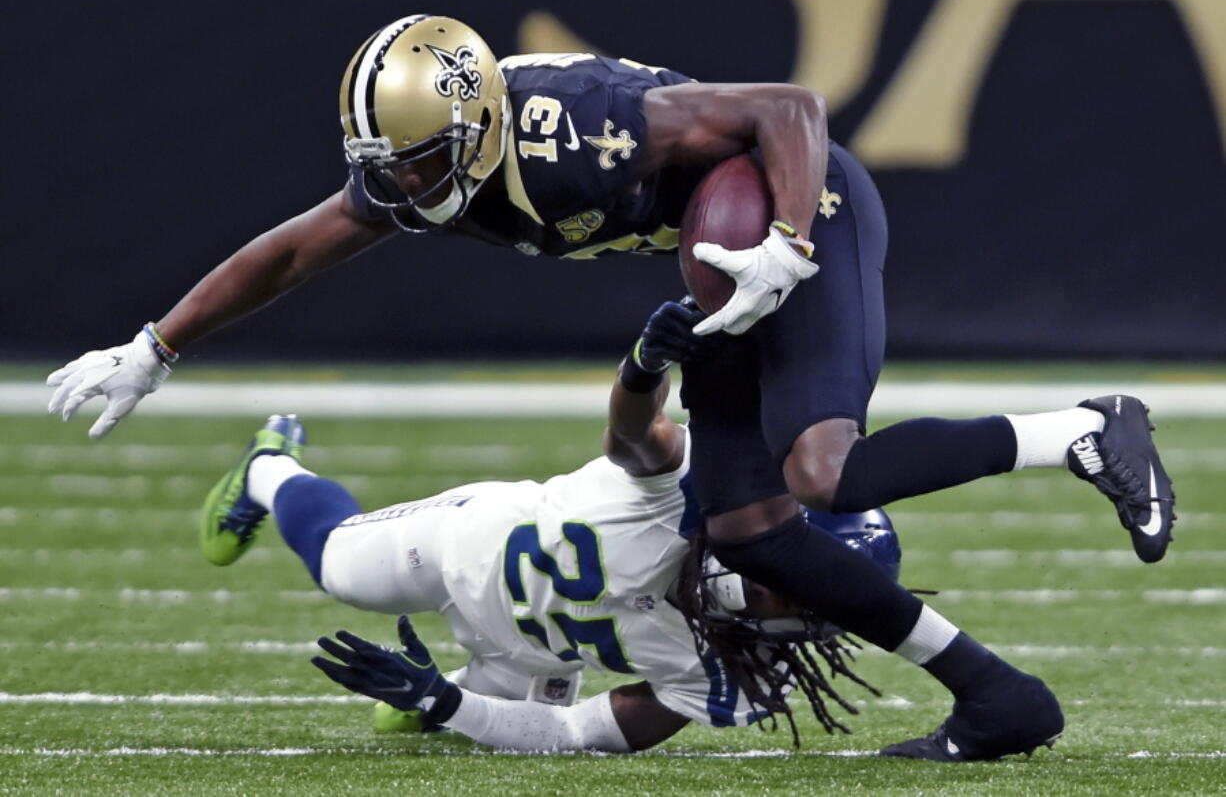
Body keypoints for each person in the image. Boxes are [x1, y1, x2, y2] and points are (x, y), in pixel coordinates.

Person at [51, 13, 1160, 756]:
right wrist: (157, 345)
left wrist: (779, 240)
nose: (400, 187)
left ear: (480, 128)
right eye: (385, 165)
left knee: (816, 472)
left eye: (421, 162)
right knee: (753, 527)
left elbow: (791, 113)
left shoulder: (577, 130)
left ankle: (1076, 429)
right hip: (713, 257)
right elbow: (295, 247)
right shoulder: (424, 158)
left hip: (788, 210)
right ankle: (996, 695)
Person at [201, 305, 1060, 758]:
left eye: (810, 605)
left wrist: (448, 703)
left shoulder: (734, 678)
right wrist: (644, 368)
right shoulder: (710, 490)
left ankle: (458, 680)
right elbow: (632, 436)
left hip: (540, 657)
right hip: (479, 543)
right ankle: (269, 467)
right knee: (343, 567)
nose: (779, 611)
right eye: (788, 585)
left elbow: (580, 735)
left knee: (478, 724)